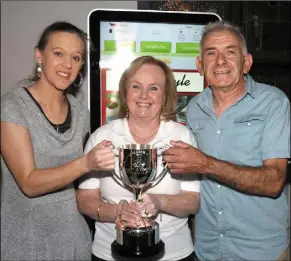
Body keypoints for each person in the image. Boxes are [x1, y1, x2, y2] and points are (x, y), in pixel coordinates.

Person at [163, 21, 290, 261]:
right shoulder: (194, 109)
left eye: (230, 52)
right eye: (211, 53)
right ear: (200, 66)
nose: (220, 61)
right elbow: (192, 183)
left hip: (262, 251)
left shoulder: (274, 103)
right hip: (207, 248)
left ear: (247, 63)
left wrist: (204, 164)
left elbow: (274, 181)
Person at [0, 21, 114, 261]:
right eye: (58, 53)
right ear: (39, 56)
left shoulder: (80, 112)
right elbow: (29, 183)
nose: (67, 65)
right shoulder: (12, 108)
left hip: (73, 238)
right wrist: (86, 163)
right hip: (26, 239)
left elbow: (85, 182)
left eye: (76, 57)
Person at [76, 56, 200, 261]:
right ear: (125, 92)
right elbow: (85, 199)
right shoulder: (102, 137)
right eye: (136, 86)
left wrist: (160, 202)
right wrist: (116, 211)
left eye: (153, 88)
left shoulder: (182, 137)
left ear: (165, 94)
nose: (144, 95)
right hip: (110, 253)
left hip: (173, 254)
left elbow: (192, 201)